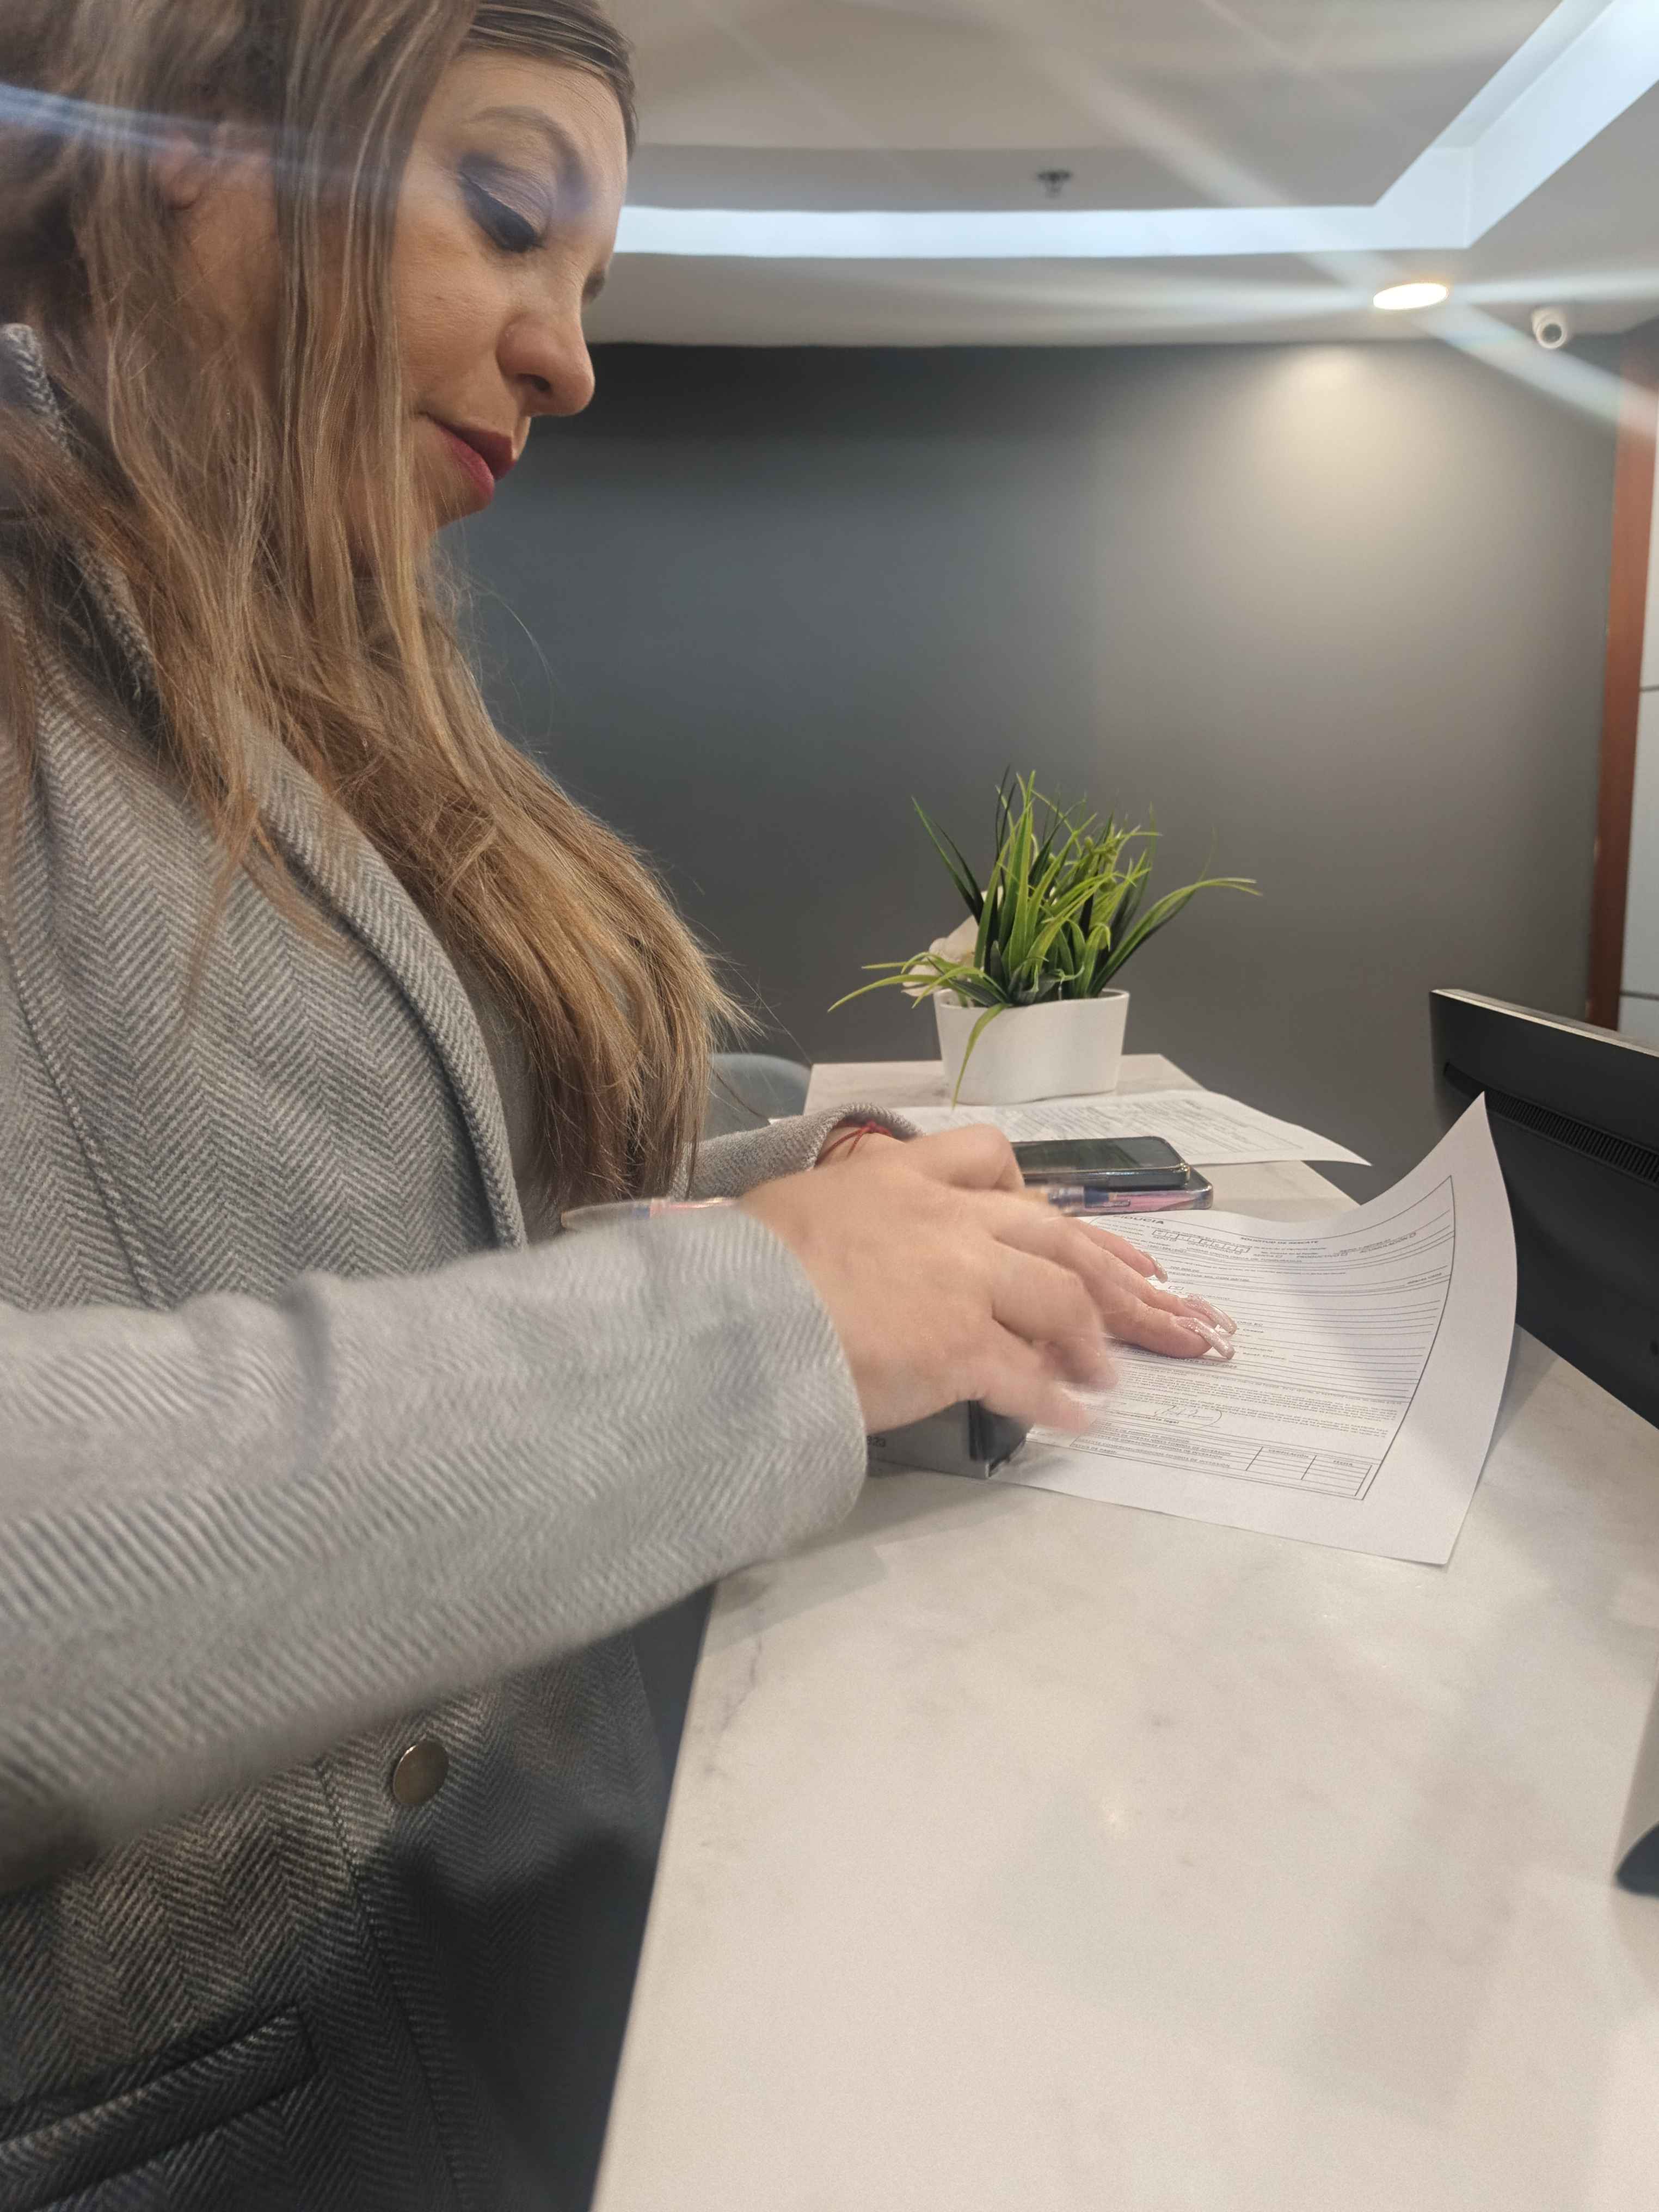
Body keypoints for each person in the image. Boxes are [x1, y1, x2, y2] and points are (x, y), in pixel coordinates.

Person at [0, 3, 1225, 2204]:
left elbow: (395, 1242)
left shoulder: (272, 662)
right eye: (506, 217)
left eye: (590, 279)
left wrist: (816, 1202)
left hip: (540, 2003)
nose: (567, 360)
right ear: (206, 127)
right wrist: (764, 1313)